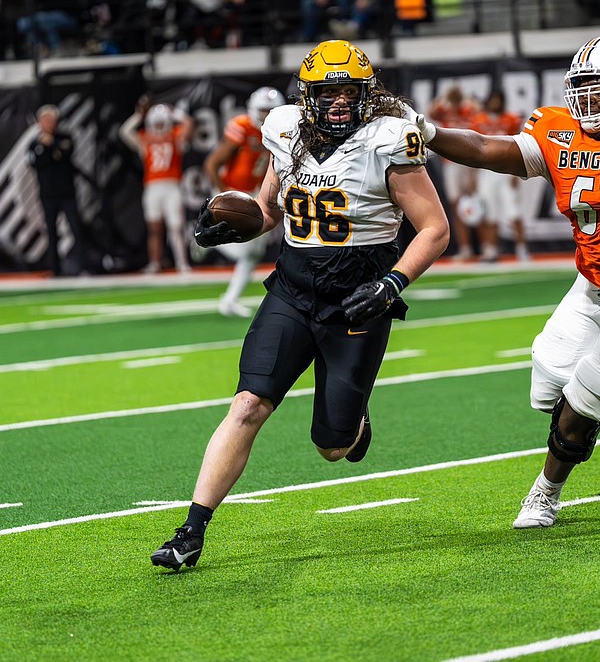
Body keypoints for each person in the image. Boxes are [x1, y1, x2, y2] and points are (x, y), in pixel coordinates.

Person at [150, 39, 450, 569]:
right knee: (247, 404)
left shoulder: (388, 138)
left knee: (333, 447)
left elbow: (434, 228)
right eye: (327, 92)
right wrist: (228, 229)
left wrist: (392, 284)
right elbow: (268, 211)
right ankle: (190, 530)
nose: (338, 101)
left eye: (349, 91)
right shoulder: (284, 130)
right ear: (307, 95)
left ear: (366, 93)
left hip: (358, 300)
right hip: (292, 289)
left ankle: (354, 426)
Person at [408, 26, 600, 529]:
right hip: (592, 286)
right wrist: (430, 131)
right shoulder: (558, 129)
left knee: (579, 406)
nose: (590, 96)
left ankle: (544, 493)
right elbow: (487, 149)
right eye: (584, 84)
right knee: (549, 388)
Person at [199, 85, 285, 317]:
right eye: (263, 110)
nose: (266, 116)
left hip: (253, 190)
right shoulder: (243, 127)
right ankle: (206, 242)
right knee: (248, 248)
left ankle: (229, 300)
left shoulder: (280, 132)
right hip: (234, 193)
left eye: (271, 110)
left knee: (253, 252)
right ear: (252, 109)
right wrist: (224, 195)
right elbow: (212, 164)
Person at [120, 100, 194, 274]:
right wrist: (139, 115)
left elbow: (189, 125)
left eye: (162, 122)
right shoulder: (145, 139)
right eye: (157, 122)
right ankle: (154, 263)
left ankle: (182, 263)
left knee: (176, 226)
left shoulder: (176, 135)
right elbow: (124, 132)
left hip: (172, 185)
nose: (160, 126)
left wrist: (175, 113)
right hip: (153, 187)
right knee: (154, 228)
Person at [470, 88, 529, 262]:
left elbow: (520, 146)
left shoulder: (510, 119)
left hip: (505, 170)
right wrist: (473, 177)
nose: (495, 103)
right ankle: (491, 250)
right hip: (485, 172)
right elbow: (473, 150)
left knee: (513, 212)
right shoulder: (478, 120)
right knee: (489, 213)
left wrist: (516, 173)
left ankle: (521, 249)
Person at [28, 105, 86, 276]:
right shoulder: (34, 144)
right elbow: (36, 162)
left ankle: (83, 266)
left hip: (67, 192)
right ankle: (55, 269)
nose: (49, 123)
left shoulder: (64, 137)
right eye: (46, 120)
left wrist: (52, 144)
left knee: (77, 228)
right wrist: (52, 150)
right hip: (48, 195)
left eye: (52, 120)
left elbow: (66, 153)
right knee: (51, 233)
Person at [428, 84, 480, 259]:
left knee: (477, 204)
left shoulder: (468, 110)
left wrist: (466, 99)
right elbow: (431, 113)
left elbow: (479, 114)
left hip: (469, 161)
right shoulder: (445, 111)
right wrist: (444, 97)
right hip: (451, 163)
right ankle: (465, 247)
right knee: (456, 205)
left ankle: (485, 246)